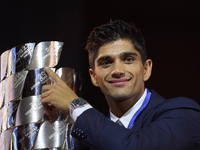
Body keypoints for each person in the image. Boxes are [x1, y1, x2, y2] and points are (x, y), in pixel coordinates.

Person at [41, 20, 200, 150]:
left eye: (128, 59)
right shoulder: (85, 137)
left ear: (146, 69)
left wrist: (75, 105)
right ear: (94, 77)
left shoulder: (184, 114)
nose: (117, 70)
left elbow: (132, 146)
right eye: (106, 63)